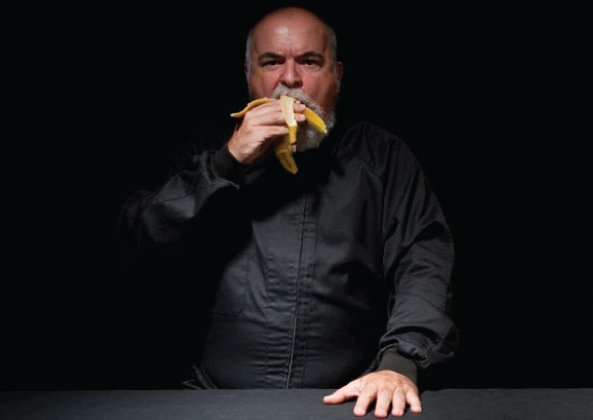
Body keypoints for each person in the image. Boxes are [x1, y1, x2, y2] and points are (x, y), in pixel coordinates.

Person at [117, 7, 456, 418]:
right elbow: (140, 239)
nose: (291, 80)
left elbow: (424, 262)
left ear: (337, 75)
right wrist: (225, 164)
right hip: (213, 400)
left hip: (352, 399)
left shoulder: (382, 157)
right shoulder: (206, 149)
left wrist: (400, 364)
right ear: (249, 75)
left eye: (309, 61)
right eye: (272, 62)